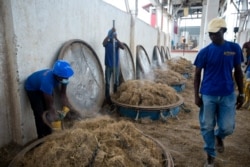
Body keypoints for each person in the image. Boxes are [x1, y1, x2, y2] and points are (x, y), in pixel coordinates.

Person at [193, 18, 244, 167]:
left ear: (224, 31)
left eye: (216, 33)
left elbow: (239, 72)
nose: (212, 37)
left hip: (228, 94)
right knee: (207, 126)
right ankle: (210, 156)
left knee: (227, 127)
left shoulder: (234, 48)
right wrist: (196, 95)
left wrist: (241, 93)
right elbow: (197, 75)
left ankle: (219, 136)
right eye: (210, 34)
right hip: (208, 94)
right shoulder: (205, 52)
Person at [25, 60, 74, 138]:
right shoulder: (47, 81)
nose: (66, 79)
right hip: (33, 89)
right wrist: (56, 123)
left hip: (45, 87)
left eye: (67, 77)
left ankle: (49, 134)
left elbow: (63, 94)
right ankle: (42, 138)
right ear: (57, 76)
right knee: (40, 114)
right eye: (64, 77)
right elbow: (50, 106)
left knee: (49, 112)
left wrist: (66, 108)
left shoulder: (64, 77)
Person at [102, 27, 125, 105]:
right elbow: (103, 43)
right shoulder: (107, 44)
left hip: (115, 66)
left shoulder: (117, 44)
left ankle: (115, 97)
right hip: (108, 66)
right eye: (112, 36)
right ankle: (107, 98)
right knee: (107, 83)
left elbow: (123, 47)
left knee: (116, 82)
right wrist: (109, 34)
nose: (113, 37)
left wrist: (117, 38)